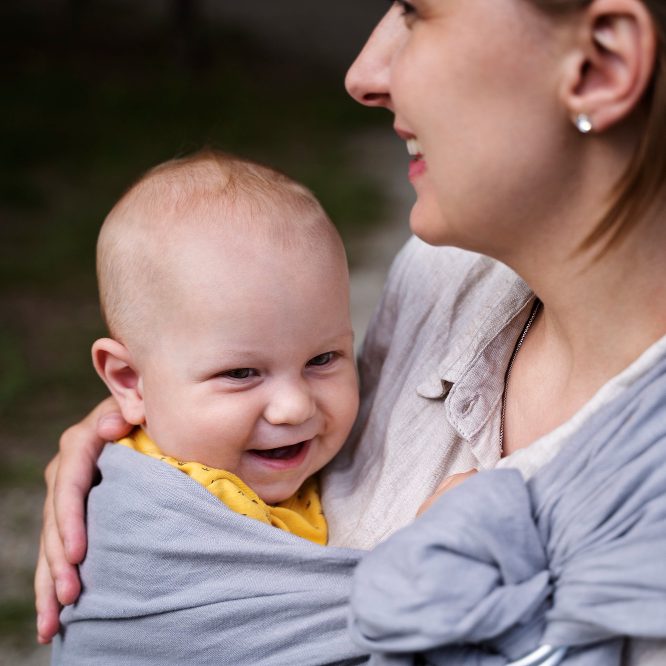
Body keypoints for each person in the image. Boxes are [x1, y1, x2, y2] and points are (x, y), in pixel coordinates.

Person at [36, 0, 666, 663]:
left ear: (602, 61)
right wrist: (137, 444)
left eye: (416, 12)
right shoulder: (443, 275)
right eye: (242, 373)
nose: (362, 73)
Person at [86, 150, 359, 545]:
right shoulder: (166, 517)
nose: (294, 406)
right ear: (130, 382)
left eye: (321, 359)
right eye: (240, 374)